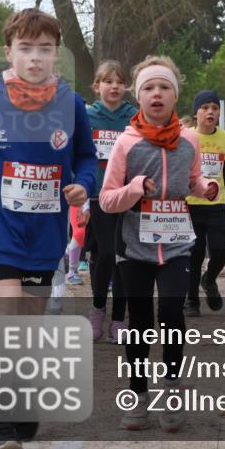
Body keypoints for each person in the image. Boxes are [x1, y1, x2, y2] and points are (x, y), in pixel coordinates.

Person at [0, 7, 97, 449]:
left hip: (44, 235)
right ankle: (1, 425)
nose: (35, 57)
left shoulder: (70, 105)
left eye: (45, 49)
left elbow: (86, 157)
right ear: (8, 52)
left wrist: (83, 186)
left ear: (57, 54)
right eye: (25, 48)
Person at [99, 55, 218, 433]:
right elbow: (106, 199)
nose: (156, 93)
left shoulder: (190, 139)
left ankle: (171, 388)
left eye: (164, 87)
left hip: (177, 243)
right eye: (149, 87)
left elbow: (192, 179)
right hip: (134, 245)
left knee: (171, 313)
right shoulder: (126, 143)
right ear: (138, 96)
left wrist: (205, 187)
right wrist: (135, 188)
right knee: (140, 321)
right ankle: (137, 393)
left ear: (175, 96)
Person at [85, 60, 136, 342]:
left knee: (124, 257)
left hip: (127, 195)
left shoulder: (134, 117)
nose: (114, 86)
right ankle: (97, 310)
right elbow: (79, 155)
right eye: (108, 81)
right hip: (97, 195)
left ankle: (118, 319)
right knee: (106, 253)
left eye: (119, 81)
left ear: (126, 87)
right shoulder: (87, 117)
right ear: (97, 86)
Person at [184, 90, 225, 317]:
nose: (210, 112)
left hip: (216, 204)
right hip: (191, 204)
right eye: (205, 108)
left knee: (220, 250)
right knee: (194, 253)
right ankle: (191, 301)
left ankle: (209, 279)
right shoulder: (187, 137)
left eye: (215, 108)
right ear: (196, 113)